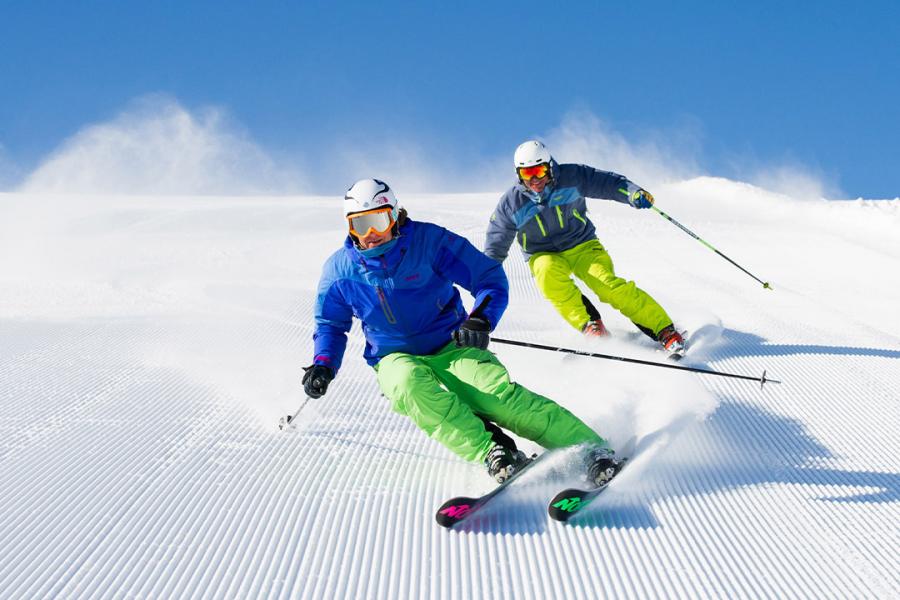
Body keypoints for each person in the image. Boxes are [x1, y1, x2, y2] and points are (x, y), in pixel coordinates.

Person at [302, 178, 622, 486]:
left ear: (395, 216)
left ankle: (590, 449)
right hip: (393, 355)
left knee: (497, 397)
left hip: (452, 342)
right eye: (360, 225)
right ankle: (493, 452)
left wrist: (481, 319)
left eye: (379, 222)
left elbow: (489, 279)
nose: (370, 234)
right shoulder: (340, 270)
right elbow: (331, 324)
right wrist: (324, 363)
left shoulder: (430, 242)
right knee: (406, 385)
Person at [484, 140, 685, 355]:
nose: (534, 180)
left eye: (539, 171)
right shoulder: (511, 203)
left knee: (606, 285)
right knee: (547, 274)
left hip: (582, 244)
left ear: (549, 167)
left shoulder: (572, 176)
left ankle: (664, 330)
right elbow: (496, 240)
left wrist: (633, 193)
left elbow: (606, 182)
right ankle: (590, 326)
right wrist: (484, 273)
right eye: (526, 174)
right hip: (543, 253)